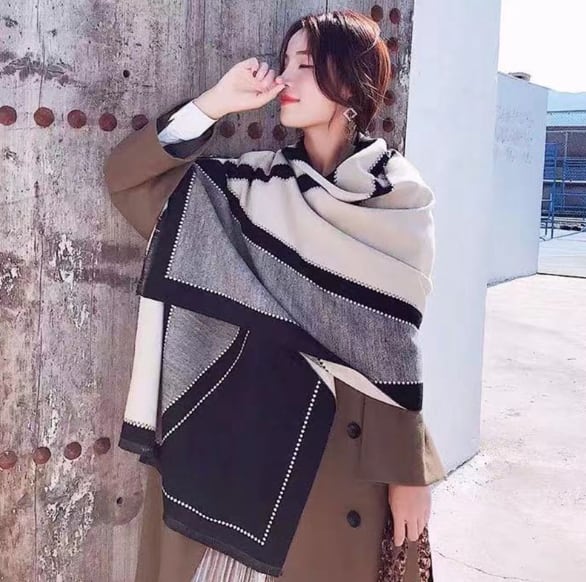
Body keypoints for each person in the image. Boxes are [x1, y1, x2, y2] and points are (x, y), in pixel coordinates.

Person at [103, 9, 446, 582]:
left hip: (331, 455)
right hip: (232, 448)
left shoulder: (400, 201)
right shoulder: (251, 190)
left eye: (305, 65)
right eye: (285, 62)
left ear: (350, 83)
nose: (285, 77)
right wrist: (215, 103)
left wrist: (409, 474)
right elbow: (127, 180)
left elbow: (391, 352)